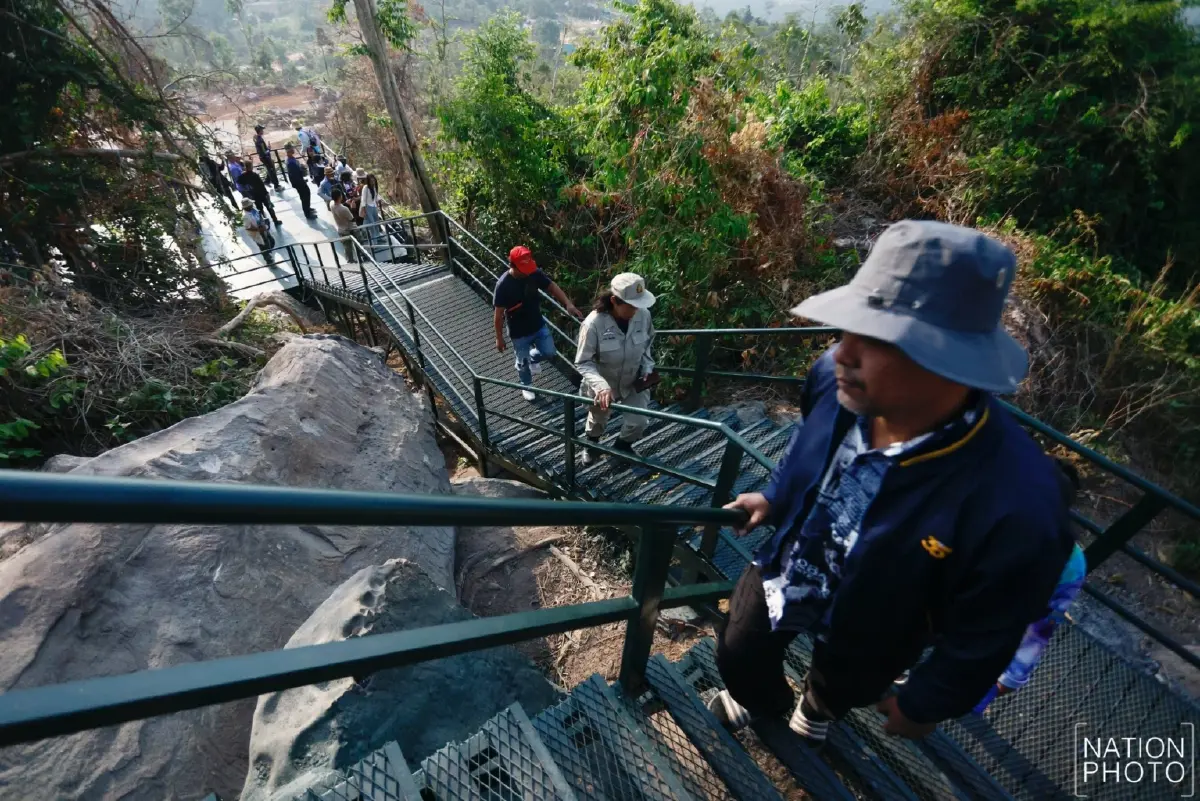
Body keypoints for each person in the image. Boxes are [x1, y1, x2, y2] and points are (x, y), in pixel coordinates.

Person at [707, 220, 1075, 747]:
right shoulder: (836, 379)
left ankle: (816, 709)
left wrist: (927, 702)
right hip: (795, 559)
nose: (843, 351)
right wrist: (776, 494)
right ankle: (765, 701)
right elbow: (808, 443)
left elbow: (989, 628)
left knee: (843, 684)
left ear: (953, 363)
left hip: (881, 621)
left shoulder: (1017, 504)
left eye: (877, 337)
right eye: (849, 326)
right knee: (738, 652)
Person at [574, 274, 659, 466]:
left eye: (638, 304)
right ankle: (591, 444)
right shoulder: (593, 324)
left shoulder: (643, 315)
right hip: (604, 383)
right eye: (630, 306)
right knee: (597, 420)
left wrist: (647, 367)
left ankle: (622, 446)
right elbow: (583, 362)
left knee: (639, 421)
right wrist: (601, 386)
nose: (636, 310)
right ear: (614, 301)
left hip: (633, 379)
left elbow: (647, 344)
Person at [492, 246, 582, 402]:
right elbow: (498, 314)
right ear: (513, 265)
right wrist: (499, 338)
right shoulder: (503, 285)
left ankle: (531, 358)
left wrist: (568, 303)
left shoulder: (533, 273)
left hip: (537, 324)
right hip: (518, 331)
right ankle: (526, 385)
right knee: (522, 361)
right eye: (523, 268)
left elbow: (552, 286)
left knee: (549, 352)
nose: (527, 271)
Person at [284, 144, 317, 220]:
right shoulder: (290, 162)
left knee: (306, 194)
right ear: (289, 150)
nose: (293, 149)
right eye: (292, 148)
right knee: (304, 196)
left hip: (299, 180)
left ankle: (308, 208)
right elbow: (295, 175)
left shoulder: (291, 158)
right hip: (298, 182)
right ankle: (307, 214)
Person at [241, 197, 275, 263]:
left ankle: (269, 253)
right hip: (257, 233)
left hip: (263, 229)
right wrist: (258, 229)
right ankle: (268, 260)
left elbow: (259, 216)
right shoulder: (245, 216)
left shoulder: (254, 209)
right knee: (263, 246)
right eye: (250, 205)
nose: (252, 205)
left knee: (271, 241)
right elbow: (248, 227)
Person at [330, 188, 358, 262]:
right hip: (348, 229)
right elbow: (352, 219)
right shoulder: (344, 209)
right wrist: (352, 208)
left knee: (347, 247)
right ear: (340, 196)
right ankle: (359, 258)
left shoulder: (332, 205)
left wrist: (345, 204)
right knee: (356, 243)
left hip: (340, 229)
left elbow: (339, 206)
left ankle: (350, 260)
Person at [253, 124, 282, 192]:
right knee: (272, 171)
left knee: (270, 170)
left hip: (263, 157)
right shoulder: (259, 139)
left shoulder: (257, 138)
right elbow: (264, 152)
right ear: (259, 130)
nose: (263, 131)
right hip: (265, 157)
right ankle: (276, 186)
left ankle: (267, 181)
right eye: (262, 129)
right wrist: (269, 149)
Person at [359, 173, 380, 244]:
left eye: (373, 181)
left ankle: (378, 237)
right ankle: (375, 242)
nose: (372, 182)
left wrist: (379, 204)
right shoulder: (366, 188)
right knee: (372, 224)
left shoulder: (374, 187)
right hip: (368, 207)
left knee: (377, 223)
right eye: (371, 181)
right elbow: (363, 199)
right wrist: (364, 210)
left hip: (374, 206)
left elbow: (376, 197)